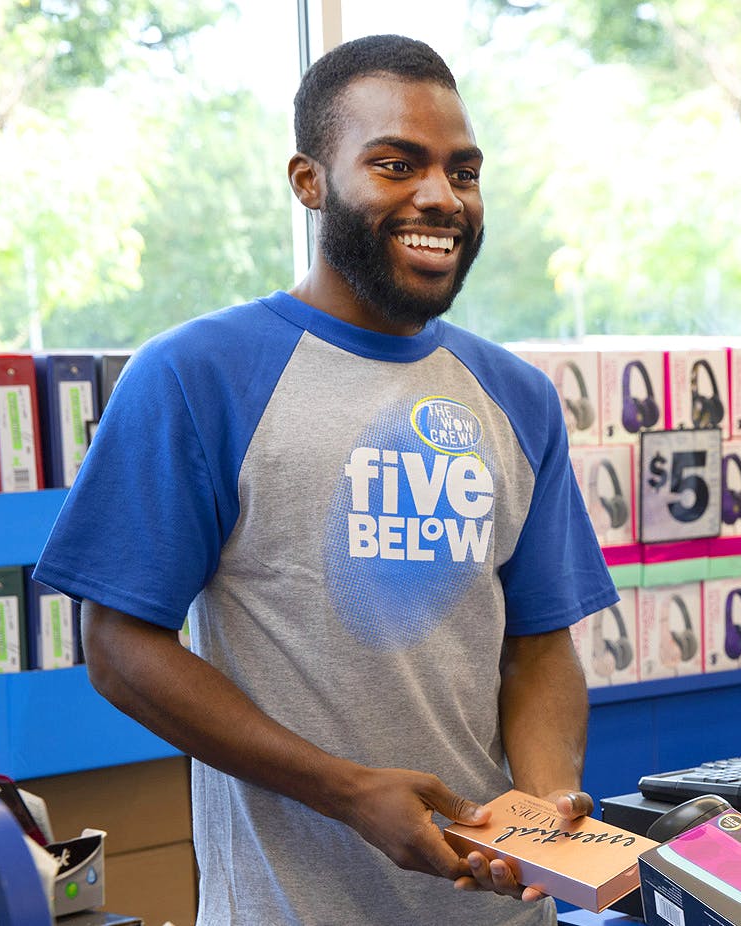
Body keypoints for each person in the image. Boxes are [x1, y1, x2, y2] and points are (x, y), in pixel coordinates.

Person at [33, 35, 617, 926]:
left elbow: (538, 646)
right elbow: (119, 649)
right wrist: (346, 791)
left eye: (463, 171)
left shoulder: (518, 398)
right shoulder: (197, 375)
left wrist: (542, 806)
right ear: (309, 181)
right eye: (396, 164)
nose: (440, 196)